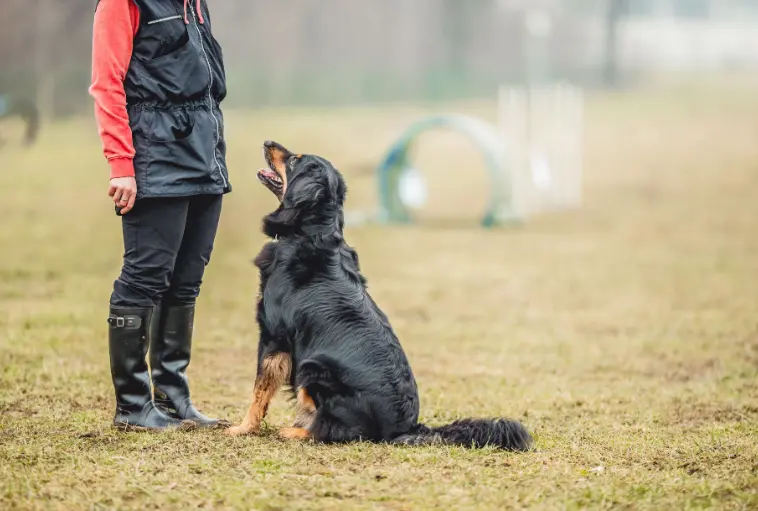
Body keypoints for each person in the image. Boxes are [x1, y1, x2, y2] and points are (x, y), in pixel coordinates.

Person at [90, 0, 231, 431]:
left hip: (205, 157)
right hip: (156, 159)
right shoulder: (123, 3)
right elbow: (106, 83)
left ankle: (172, 397)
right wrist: (121, 165)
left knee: (187, 279)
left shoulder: (195, 4)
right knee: (145, 276)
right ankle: (133, 406)